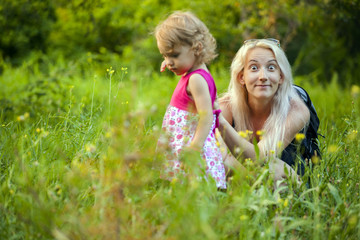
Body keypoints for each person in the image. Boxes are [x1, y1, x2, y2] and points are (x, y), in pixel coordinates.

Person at [217, 38, 311, 185]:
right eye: (254, 68)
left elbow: (259, 157)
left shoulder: (297, 110)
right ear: (241, 77)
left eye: (271, 68)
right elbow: (220, 159)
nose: (263, 77)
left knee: (275, 172)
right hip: (257, 174)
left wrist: (220, 122)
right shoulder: (226, 107)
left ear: (281, 77)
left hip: (290, 168)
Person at [154, 11, 226, 189]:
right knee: (182, 187)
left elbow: (206, 116)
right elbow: (183, 62)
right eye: (164, 55)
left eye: (174, 55)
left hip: (190, 140)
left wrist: (195, 147)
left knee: (192, 187)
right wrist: (171, 60)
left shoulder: (196, 80)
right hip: (183, 137)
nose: (169, 62)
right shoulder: (196, 70)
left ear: (197, 48)